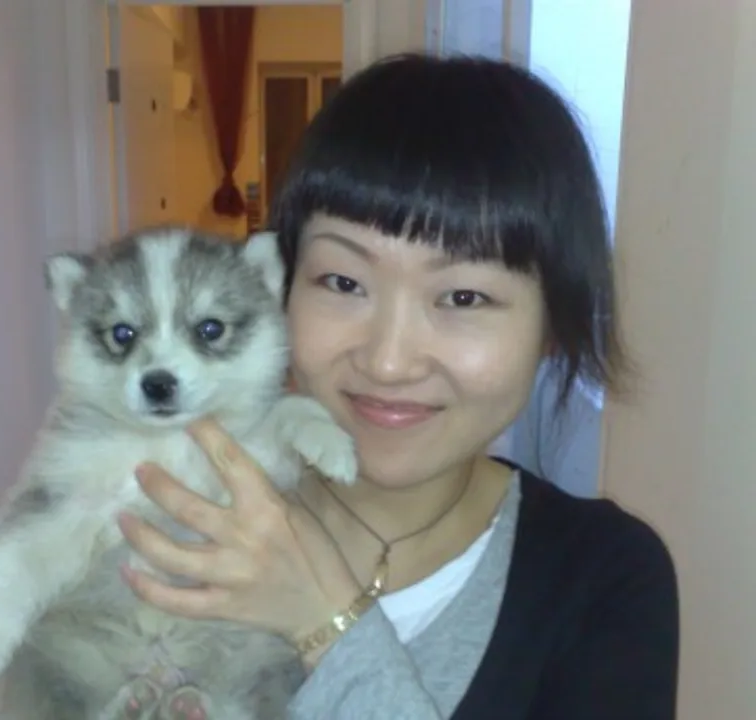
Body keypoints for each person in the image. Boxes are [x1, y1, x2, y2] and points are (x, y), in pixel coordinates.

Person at [117, 53, 680, 719]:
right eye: (343, 282)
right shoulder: (176, 511)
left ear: (553, 324)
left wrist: (326, 623)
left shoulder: (604, 579)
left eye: (464, 297)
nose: (387, 362)